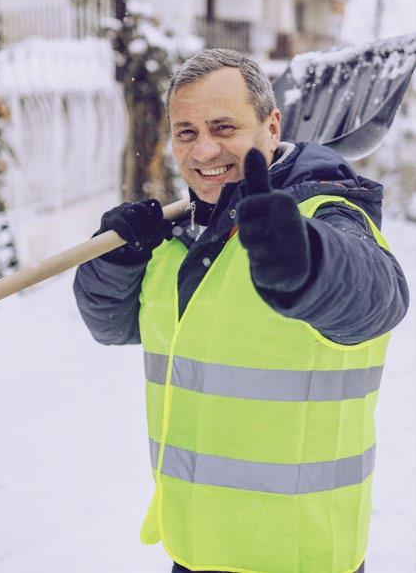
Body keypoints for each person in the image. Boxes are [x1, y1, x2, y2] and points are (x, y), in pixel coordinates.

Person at [73, 49, 409, 573]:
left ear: (272, 127)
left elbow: (376, 298)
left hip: (298, 559)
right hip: (193, 548)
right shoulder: (182, 236)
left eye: (223, 127)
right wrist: (115, 261)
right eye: (186, 132)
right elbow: (112, 326)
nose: (203, 149)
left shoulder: (324, 215)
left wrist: (307, 263)